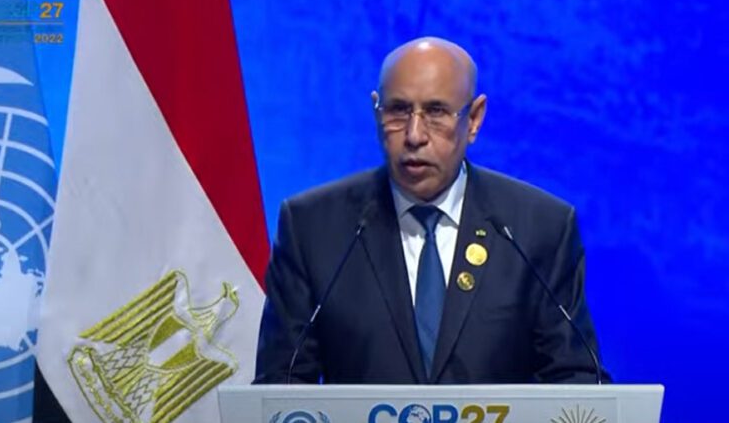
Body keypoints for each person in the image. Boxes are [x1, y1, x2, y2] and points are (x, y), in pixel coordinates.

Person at [254, 37, 609, 384]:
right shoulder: (312, 227)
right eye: (398, 110)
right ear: (376, 111)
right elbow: (280, 384)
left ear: (474, 119)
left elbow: (576, 379)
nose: (414, 135)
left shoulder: (538, 228)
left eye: (436, 112)